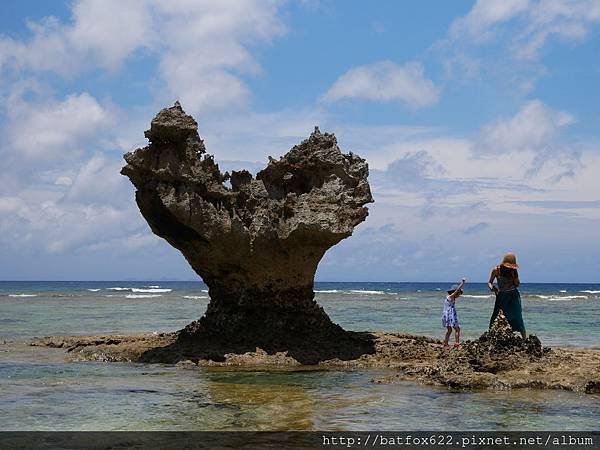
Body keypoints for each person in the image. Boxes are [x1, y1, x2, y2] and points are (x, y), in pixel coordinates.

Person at [487, 252, 527, 339]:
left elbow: (517, 285)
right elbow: (489, 282)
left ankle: (524, 339)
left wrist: (514, 277)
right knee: (496, 315)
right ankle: (490, 336)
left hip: (513, 296)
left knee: (517, 316)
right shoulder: (496, 270)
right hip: (501, 296)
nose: (509, 268)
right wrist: (492, 288)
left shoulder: (514, 271)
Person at [442, 278, 466, 349]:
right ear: (455, 292)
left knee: (449, 330)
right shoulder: (451, 297)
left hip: (446, 315)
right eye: (459, 294)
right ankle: (457, 344)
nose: (459, 295)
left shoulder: (449, 298)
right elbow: (458, 289)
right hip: (450, 316)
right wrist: (463, 283)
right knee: (457, 329)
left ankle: (446, 343)